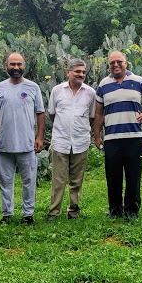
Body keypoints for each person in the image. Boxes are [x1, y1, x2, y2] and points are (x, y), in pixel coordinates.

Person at [94, 51, 142, 219]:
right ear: (109, 65)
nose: (116, 65)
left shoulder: (138, 81)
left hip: (134, 138)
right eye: (112, 63)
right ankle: (115, 211)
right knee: (113, 177)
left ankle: (132, 211)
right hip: (112, 139)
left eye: (119, 61)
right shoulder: (103, 84)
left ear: (126, 63)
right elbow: (99, 114)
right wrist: (97, 136)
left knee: (133, 176)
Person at [0, 52, 45, 226]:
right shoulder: (0, 87)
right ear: (6, 65)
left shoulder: (33, 87)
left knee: (29, 181)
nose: (16, 68)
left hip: (27, 144)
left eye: (19, 64)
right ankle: (7, 214)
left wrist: (39, 137)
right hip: (4, 145)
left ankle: (28, 215)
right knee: (5, 181)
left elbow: (40, 113)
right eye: (12, 64)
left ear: (24, 66)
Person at [46, 59, 96, 222]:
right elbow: (52, 114)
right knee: (58, 179)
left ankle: (73, 210)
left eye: (83, 72)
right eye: (77, 72)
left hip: (81, 142)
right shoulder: (57, 91)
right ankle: (54, 212)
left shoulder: (90, 93)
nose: (81, 74)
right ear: (68, 72)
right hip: (61, 141)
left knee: (76, 179)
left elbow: (92, 117)